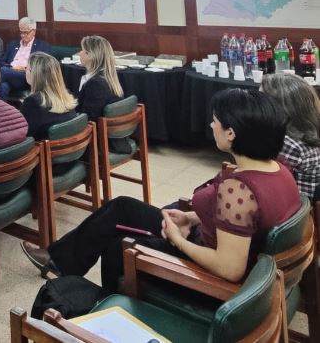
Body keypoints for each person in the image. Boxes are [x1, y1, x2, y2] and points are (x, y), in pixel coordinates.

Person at [21, 89, 301, 293]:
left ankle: (113, 309)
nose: (211, 124)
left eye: (216, 120)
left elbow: (229, 269)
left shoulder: (239, 191)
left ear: (231, 133)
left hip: (203, 266)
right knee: (122, 208)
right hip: (203, 233)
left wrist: (179, 241)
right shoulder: (278, 169)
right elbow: (242, 224)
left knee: (117, 247)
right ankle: (59, 260)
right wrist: (191, 218)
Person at [260, 73, 320, 197]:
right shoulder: (307, 130)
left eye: (260, 101)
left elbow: (267, 185)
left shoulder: (287, 144)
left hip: (298, 208)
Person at [21, 53, 79, 140]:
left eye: (27, 68)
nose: (25, 71)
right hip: (70, 150)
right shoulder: (67, 96)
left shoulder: (32, 102)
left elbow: (25, 137)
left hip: (45, 151)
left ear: (35, 74)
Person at [0, 17, 51, 99]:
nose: (23, 35)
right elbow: (1, 61)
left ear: (34, 32)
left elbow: (43, 66)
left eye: (26, 33)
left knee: (3, 71)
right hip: (10, 74)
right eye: (21, 32)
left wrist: (24, 68)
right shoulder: (12, 45)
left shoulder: (42, 46)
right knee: (3, 86)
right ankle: (0, 111)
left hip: (27, 78)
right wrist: (12, 68)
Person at [76, 35, 123, 121]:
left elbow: (88, 119)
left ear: (91, 55)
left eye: (82, 50)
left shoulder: (95, 84)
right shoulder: (107, 77)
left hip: (94, 131)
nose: (79, 53)